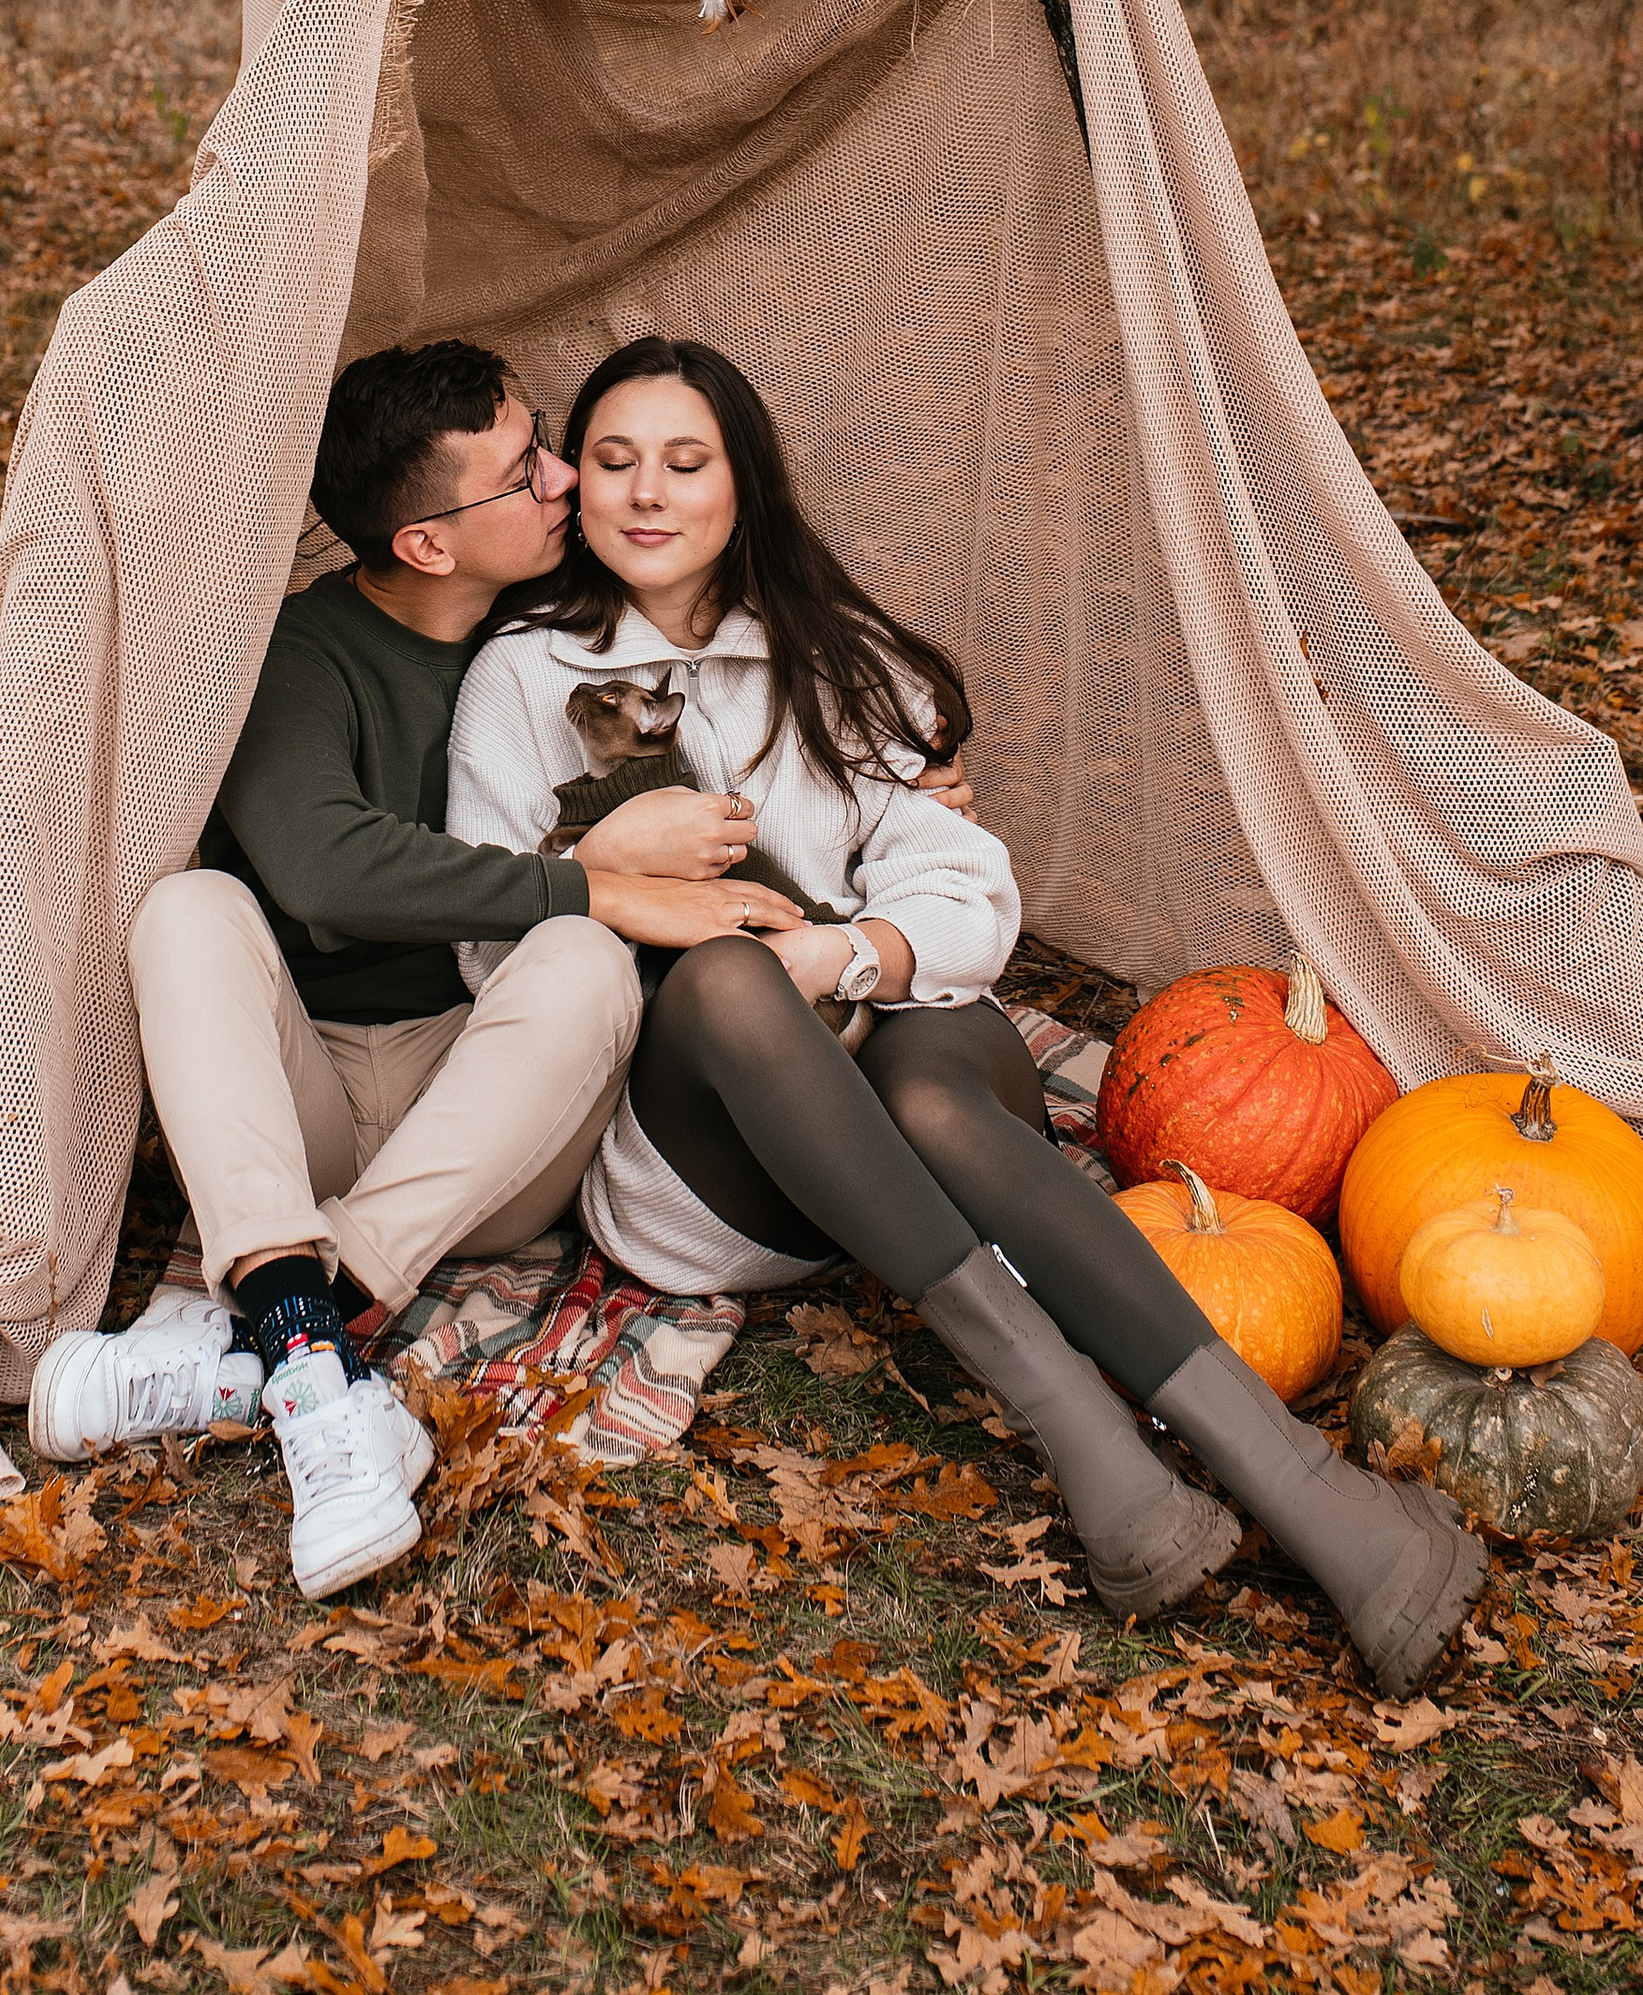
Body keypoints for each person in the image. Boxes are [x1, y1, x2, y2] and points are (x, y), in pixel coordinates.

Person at [446, 337, 1487, 1696]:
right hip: (713, 1154)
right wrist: (622, 887)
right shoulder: (523, 678)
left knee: (929, 1086)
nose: (646, 494)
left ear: (742, 485)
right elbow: (489, 954)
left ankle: (1283, 1489)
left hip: (901, 1080)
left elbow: (962, 888)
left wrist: (853, 953)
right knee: (723, 980)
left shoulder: (840, 658)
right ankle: (1075, 1420)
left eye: (685, 463)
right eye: (618, 462)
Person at [25, 340, 805, 1599]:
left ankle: (283, 1331)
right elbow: (327, 870)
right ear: (430, 544)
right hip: (308, 1103)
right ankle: (315, 1362)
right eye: (524, 471)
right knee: (186, 909)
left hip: (492, 1117)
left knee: (579, 964)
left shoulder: (569, 632)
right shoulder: (299, 657)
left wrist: (901, 778)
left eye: (546, 443)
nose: (564, 480)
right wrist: (597, 879)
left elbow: (749, 725)